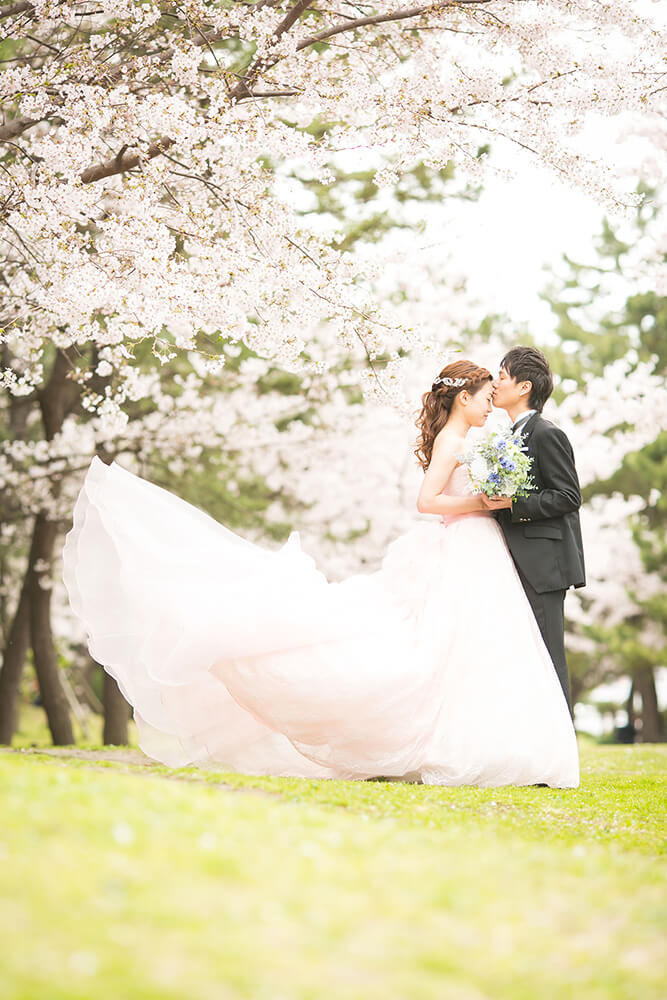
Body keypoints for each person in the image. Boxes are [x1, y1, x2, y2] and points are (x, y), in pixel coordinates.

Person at [63, 360, 579, 787]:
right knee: (443, 644)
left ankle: (495, 737)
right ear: (463, 397)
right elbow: (429, 501)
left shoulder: (480, 439)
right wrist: (485, 502)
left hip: (479, 548)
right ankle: (446, 740)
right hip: (464, 542)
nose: (492, 402)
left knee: (475, 646)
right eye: (486, 393)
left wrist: (496, 501)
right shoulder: (453, 440)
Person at [489, 347, 585, 715]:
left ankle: (558, 763)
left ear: (524, 385)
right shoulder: (507, 435)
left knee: (548, 658)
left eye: (502, 376)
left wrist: (515, 504)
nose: (495, 383)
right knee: (523, 659)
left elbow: (568, 495)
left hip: (543, 565)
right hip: (512, 560)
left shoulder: (546, 433)